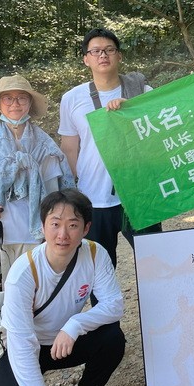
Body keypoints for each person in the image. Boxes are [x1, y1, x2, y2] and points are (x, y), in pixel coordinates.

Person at [0, 189, 126, 386]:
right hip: (30, 348)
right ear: (42, 226)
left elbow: (114, 305)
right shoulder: (24, 273)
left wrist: (74, 325)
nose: (63, 235)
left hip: (65, 343)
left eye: (73, 225)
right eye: (55, 224)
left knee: (112, 337)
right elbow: (21, 344)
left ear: (86, 228)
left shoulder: (95, 254)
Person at [0, 75, 74, 295]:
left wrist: (53, 227)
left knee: (32, 296)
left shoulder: (44, 143)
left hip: (32, 232)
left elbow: (52, 190)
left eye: (21, 98)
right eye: (8, 98)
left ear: (30, 103)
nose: (15, 104)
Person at [59, 28, 162, 268]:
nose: (103, 55)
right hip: (94, 197)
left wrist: (134, 111)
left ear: (119, 55)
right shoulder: (72, 98)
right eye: (95, 51)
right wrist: (76, 188)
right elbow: (70, 148)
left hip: (139, 195)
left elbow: (160, 139)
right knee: (98, 269)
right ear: (86, 59)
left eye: (109, 50)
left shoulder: (142, 92)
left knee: (156, 263)